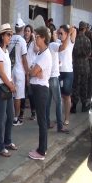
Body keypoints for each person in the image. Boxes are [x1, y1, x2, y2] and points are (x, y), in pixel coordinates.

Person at [0, 23, 17, 157]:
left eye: (11, 35)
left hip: (7, 86)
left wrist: (11, 82)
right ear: (2, 36)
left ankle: (7, 141)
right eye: (8, 34)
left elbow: (7, 72)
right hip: (1, 87)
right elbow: (1, 73)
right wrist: (12, 86)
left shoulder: (6, 51)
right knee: (2, 118)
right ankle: (0, 147)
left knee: (11, 116)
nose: (10, 37)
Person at [28, 26, 52, 161]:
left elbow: (32, 71)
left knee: (42, 121)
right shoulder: (40, 53)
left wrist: (34, 71)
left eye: (37, 36)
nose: (35, 38)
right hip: (38, 88)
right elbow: (34, 70)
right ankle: (42, 148)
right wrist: (35, 71)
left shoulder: (45, 55)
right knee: (41, 120)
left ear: (43, 38)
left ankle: (42, 151)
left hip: (41, 90)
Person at [46, 26, 69, 133]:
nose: (58, 35)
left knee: (48, 102)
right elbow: (63, 47)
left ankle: (47, 122)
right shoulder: (53, 44)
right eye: (56, 33)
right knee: (58, 101)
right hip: (53, 77)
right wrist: (68, 35)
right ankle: (60, 126)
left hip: (48, 77)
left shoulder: (47, 45)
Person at [8, 18, 28, 126]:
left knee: (11, 95)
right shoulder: (22, 41)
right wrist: (28, 73)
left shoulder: (10, 38)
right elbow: (24, 59)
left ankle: (10, 116)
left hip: (10, 70)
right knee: (18, 96)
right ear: (23, 28)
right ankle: (16, 118)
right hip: (20, 71)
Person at [70, 21, 91, 113]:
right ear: (85, 28)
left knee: (75, 86)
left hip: (76, 66)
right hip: (85, 66)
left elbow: (72, 52)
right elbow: (89, 53)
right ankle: (83, 105)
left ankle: (74, 106)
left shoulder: (75, 39)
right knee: (84, 86)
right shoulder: (87, 40)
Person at [58, 25, 77, 126]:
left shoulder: (70, 41)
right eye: (59, 33)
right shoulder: (57, 43)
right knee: (59, 96)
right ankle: (59, 117)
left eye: (62, 33)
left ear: (66, 34)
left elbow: (74, 30)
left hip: (68, 72)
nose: (60, 35)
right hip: (59, 72)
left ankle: (67, 118)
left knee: (67, 96)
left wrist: (69, 31)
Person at [20, 24, 37, 120]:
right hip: (22, 70)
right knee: (22, 93)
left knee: (30, 93)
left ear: (31, 33)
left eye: (29, 31)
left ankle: (33, 113)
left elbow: (37, 50)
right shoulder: (21, 42)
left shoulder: (33, 43)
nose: (27, 32)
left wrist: (34, 38)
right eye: (25, 30)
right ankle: (21, 114)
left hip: (30, 71)